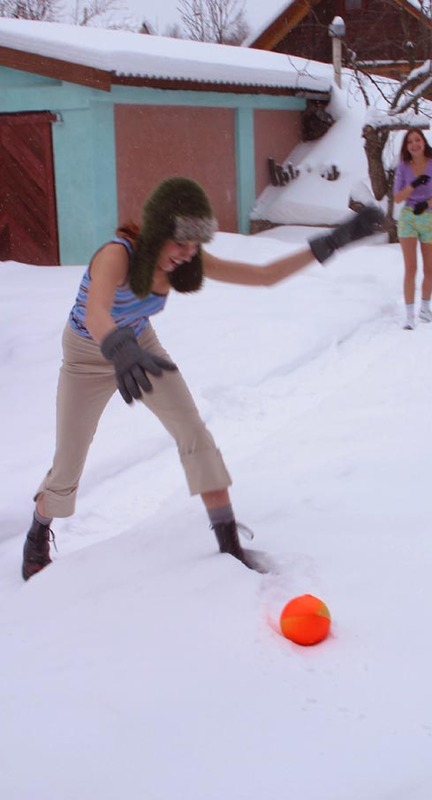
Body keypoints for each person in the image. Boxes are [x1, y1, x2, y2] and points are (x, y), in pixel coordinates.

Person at [21, 177, 383, 580]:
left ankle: (229, 542)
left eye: (194, 245)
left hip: (142, 345)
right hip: (88, 356)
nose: (187, 254)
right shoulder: (116, 254)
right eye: (180, 243)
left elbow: (263, 275)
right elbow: (96, 312)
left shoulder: (186, 260)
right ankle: (39, 529)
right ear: (158, 231)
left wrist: (333, 241)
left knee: (193, 432)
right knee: (69, 460)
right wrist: (116, 347)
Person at [393, 128, 432, 330]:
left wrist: (428, 203)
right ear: (406, 147)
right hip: (409, 218)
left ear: (424, 142)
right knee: (411, 268)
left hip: (429, 217)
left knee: (430, 268)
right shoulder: (403, 167)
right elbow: (397, 197)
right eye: (410, 142)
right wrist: (413, 185)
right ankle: (409, 315)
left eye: (418, 140)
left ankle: (425, 309)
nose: (414, 144)